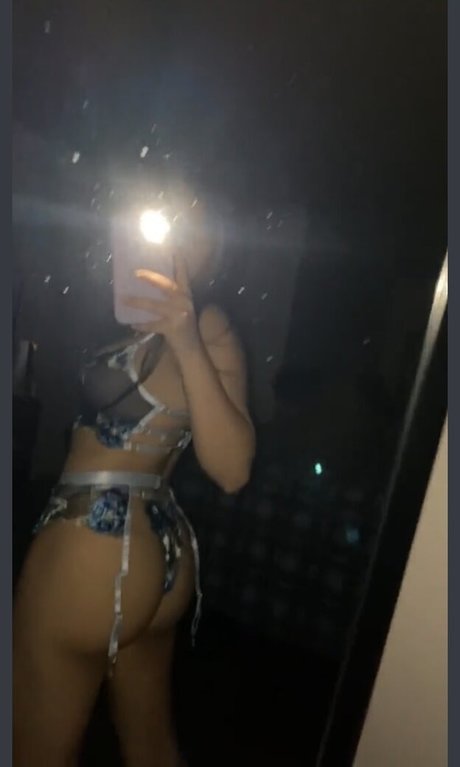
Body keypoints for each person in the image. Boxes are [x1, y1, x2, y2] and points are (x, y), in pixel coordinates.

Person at [13, 185, 256, 767]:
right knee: (152, 749)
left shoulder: (206, 325)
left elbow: (231, 470)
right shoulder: (128, 320)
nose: (175, 241)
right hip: (155, 554)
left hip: (91, 554)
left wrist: (185, 338)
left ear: (216, 249)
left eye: (192, 227)